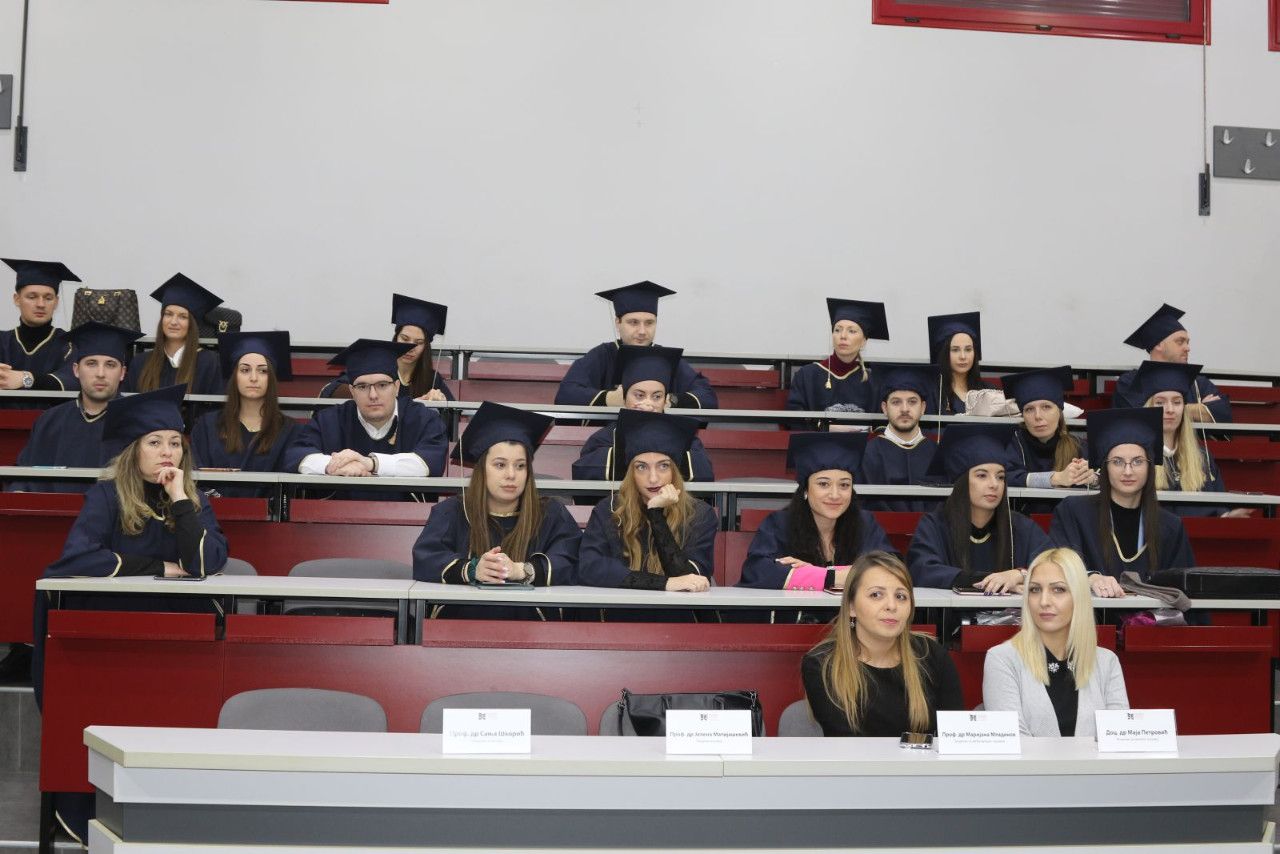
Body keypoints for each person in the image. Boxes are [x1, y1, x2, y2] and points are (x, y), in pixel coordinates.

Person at [33, 383, 229, 843]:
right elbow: (77, 559)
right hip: (112, 642)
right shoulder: (106, 497)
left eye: (175, 443)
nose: (167, 452)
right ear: (133, 451)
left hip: (176, 645)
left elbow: (205, 562)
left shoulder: (194, 501)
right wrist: (157, 567)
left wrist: (180, 498)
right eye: (154, 442)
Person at [412, 403, 581, 618]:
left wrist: (522, 571)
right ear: (482, 469)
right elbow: (426, 559)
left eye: (520, 466)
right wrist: (472, 569)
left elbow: (572, 560)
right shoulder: (452, 511)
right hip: (461, 624)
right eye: (500, 465)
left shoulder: (551, 514)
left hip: (533, 629)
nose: (511, 475)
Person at [801, 551, 964, 737]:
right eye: (876, 595)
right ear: (851, 607)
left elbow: (954, 736)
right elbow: (847, 740)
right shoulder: (821, 663)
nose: (892, 606)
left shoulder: (932, 655)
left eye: (901, 596)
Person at [982, 547, 1130, 737]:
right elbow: (1015, 743)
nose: (1044, 601)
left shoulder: (1107, 662)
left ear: (1079, 597)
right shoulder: (1002, 659)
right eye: (1035, 589)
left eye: (1058, 589)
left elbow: (1119, 741)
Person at [1049, 408, 1196, 594]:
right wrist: (1090, 578)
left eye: (1137, 461)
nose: (1128, 471)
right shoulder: (1074, 513)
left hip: (1152, 613)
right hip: (1090, 612)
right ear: (1105, 467)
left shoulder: (1170, 527)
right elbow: (1056, 567)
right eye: (1117, 462)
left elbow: (1183, 587)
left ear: (1150, 467)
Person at [284, 338, 449, 500]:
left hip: (407, 517)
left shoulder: (423, 419)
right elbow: (296, 455)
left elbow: (429, 462)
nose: (373, 395)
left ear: (397, 387)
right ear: (352, 391)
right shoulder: (329, 421)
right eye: (362, 386)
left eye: (382, 385)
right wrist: (333, 465)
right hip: (339, 516)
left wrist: (370, 463)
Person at [578, 409, 717, 596]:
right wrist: (663, 584)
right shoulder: (609, 510)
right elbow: (590, 568)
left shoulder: (699, 514)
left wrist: (655, 514)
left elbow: (689, 579)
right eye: (641, 467)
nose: (653, 478)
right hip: (618, 608)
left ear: (675, 471)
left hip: (677, 611)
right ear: (631, 473)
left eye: (663, 466)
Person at [906, 423, 1052, 591]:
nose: (994, 484)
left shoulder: (1020, 527)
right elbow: (922, 570)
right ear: (961, 482)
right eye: (982, 475)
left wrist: (1019, 575)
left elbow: (1055, 563)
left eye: (1000, 477)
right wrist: (991, 581)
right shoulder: (935, 526)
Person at [738, 432, 894, 590]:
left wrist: (814, 574)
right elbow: (757, 570)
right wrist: (834, 577)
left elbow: (890, 568)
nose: (835, 495)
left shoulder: (865, 524)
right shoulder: (779, 524)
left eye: (844, 485)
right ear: (805, 490)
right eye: (823, 484)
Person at [10, 321, 141, 493]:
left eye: (110, 364)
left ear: (122, 373)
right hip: (54, 510)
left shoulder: (138, 424)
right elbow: (23, 476)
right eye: (91, 363)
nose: (100, 373)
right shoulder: (49, 421)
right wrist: (18, 492)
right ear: (76, 370)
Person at [554, 281, 717, 408]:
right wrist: (609, 399)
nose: (642, 331)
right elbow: (566, 394)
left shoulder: (666, 358)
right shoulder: (602, 355)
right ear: (618, 323)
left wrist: (670, 400)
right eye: (633, 322)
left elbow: (708, 397)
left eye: (649, 323)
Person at [571, 344, 714, 481]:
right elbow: (582, 471)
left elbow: (704, 471)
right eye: (639, 395)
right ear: (624, 399)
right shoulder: (604, 438)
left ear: (665, 401)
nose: (648, 404)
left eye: (656, 397)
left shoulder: (682, 436)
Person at [191, 331, 301, 498]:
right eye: (245, 370)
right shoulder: (207, 426)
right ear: (234, 376)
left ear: (271, 378)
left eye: (263, 371)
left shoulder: (290, 431)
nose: (254, 378)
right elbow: (197, 479)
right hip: (214, 511)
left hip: (270, 514)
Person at [1134, 360, 1244, 519]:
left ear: (1184, 408)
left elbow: (1218, 510)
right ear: (1148, 408)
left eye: (1177, 402)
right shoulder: (1136, 458)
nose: (1170, 410)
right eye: (1160, 402)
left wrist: (1228, 517)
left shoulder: (1202, 458)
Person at [1113, 303, 1231, 424]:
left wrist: (1167, 410)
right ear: (1158, 345)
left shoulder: (1198, 383)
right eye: (1180, 342)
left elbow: (1223, 413)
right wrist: (1197, 409)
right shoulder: (1131, 382)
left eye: (1187, 342)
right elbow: (1139, 416)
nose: (1187, 348)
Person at [1001, 366, 1095, 514]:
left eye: (1046, 407)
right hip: (1020, 523)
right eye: (1029, 409)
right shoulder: (1012, 444)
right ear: (1023, 415)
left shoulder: (1078, 446)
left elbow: (1101, 478)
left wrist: (1092, 479)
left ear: (1059, 411)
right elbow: (1004, 477)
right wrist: (1054, 478)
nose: (1038, 416)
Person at [785, 299, 888, 427]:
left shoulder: (873, 383)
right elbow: (795, 422)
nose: (843, 336)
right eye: (837, 330)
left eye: (852, 331)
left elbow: (879, 427)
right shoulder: (806, 376)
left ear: (863, 341)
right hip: (817, 440)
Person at [858, 362, 941, 512]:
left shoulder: (937, 455)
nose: (904, 409)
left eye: (912, 402)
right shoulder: (867, 454)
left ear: (923, 408)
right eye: (896, 402)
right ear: (884, 408)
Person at [124, 273, 223, 395]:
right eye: (168, 314)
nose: (173, 322)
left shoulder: (209, 363)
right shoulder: (141, 363)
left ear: (193, 324)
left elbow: (215, 405)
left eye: (183, 316)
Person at [0, 258, 79, 397]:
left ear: (56, 302)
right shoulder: (2, 342)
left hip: (53, 412)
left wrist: (26, 379)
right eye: (32, 297)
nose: (41, 304)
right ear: (17, 299)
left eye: (48, 298)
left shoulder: (68, 344)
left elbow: (74, 381)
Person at [391, 293, 453, 402]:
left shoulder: (432, 379)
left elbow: (454, 410)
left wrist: (443, 402)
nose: (410, 347)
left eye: (419, 342)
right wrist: (416, 404)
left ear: (426, 347)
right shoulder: (381, 373)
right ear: (396, 338)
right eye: (405, 339)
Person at [927, 311, 988, 415]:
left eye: (968, 349)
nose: (963, 356)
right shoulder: (932, 393)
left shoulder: (988, 392)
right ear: (944, 353)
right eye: (955, 350)